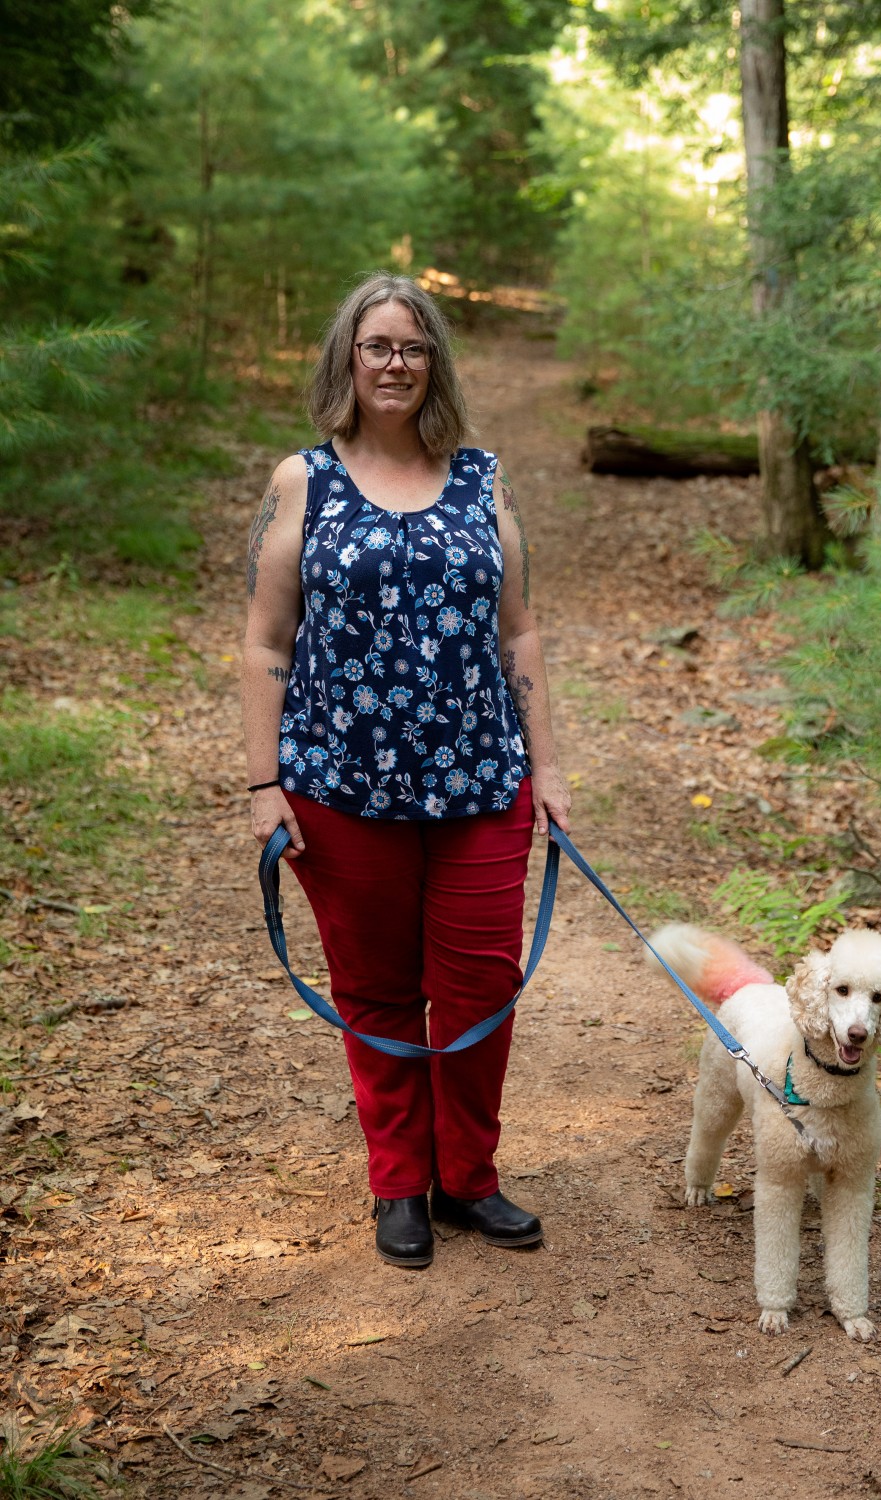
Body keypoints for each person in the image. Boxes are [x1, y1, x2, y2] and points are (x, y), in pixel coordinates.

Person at [241, 270, 571, 1268]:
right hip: (342, 785)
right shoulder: (302, 481)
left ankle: (468, 1178)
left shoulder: (484, 477)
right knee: (377, 988)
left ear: (436, 365)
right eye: (377, 345)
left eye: (413, 347)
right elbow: (263, 641)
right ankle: (400, 1186)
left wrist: (546, 769)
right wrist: (265, 786)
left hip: (480, 776)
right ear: (349, 357)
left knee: (477, 986)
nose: (394, 363)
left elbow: (520, 634)